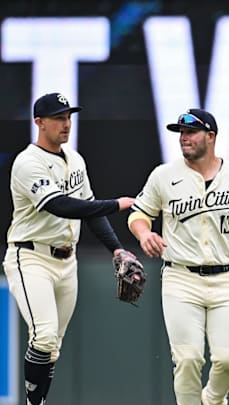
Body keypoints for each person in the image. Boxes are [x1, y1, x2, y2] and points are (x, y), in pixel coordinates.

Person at [127, 108, 229, 405]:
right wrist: (144, 233)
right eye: (181, 133)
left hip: (225, 279)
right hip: (180, 278)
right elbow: (138, 214)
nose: (184, 138)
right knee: (187, 359)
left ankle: (211, 399)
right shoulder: (164, 175)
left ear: (211, 136)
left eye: (191, 132)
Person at [2, 92, 136, 405]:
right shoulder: (27, 163)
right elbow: (61, 205)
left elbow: (88, 209)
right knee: (44, 336)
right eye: (58, 118)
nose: (66, 124)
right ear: (39, 122)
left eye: (68, 116)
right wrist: (116, 204)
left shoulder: (74, 159)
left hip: (67, 262)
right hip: (31, 257)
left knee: (53, 347)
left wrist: (117, 250)